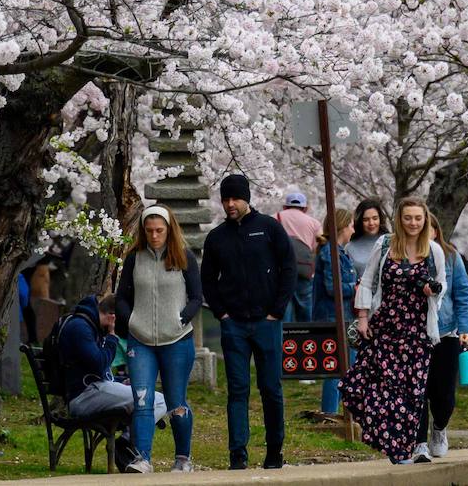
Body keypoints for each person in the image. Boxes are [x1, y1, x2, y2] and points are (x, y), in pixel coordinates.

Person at [200, 173, 297, 470]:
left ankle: (274, 451)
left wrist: (277, 310)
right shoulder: (216, 237)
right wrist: (221, 313)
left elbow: (289, 267)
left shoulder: (269, 228)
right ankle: (237, 454)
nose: (230, 204)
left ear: (247, 199)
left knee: (271, 388)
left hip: (267, 321)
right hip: (234, 325)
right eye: (225, 199)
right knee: (238, 389)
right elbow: (207, 279)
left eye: (235, 199)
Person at [340, 196, 446, 464]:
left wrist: (429, 291)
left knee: (412, 394)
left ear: (425, 220)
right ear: (399, 219)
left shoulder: (434, 250)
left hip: (417, 332)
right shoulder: (385, 245)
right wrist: (362, 317)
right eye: (408, 217)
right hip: (385, 327)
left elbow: (440, 287)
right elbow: (366, 281)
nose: (413, 223)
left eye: (418, 218)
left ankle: (402, 448)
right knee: (375, 387)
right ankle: (390, 443)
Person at [115, 205, 202, 474]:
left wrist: (182, 318)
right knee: (142, 400)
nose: (154, 236)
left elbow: (197, 297)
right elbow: (122, 296)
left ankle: (183, 459)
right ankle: (142, 459)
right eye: (149, 230)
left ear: (169, 230)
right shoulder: (134, 258)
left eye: (159, 231)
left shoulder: (183, 257)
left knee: (176, 402)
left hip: (176, 339)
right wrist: (130, 320)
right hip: (141, 341)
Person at [59, 293, 166, 453]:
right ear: (112, 317)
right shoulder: (80, 327)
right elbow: (99, 363)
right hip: (84, 397)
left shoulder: (89, 324)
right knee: (156, 401)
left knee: (151, 399)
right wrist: (111, 337)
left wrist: (120, 380)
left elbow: (94, 368)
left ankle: (128, 440)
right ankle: (127, 443)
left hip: (93, 390)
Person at [417, 212, 468, 458]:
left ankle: (439, 427)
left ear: (436, 232)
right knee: (417, 391)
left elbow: (464, 294)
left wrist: (465, 328)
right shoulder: (406, 258)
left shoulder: (451, 257)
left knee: (444, 396)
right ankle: (418, 443)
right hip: (415, 334)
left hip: (446, 332)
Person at [310, 208, 356, 416]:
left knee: (344, 367)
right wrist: (354, 287)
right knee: (336, 369)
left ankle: (342, 413)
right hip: (333, 317)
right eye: (351, 225)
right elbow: (332, 287)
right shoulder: (330, 252)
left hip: (342, 316)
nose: (354, 230)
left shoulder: (338, 251)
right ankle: (330, 414)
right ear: (343, 227)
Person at [276, 189, 321, 322]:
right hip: (304, 270)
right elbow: (317, 248)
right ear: (305, 208)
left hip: (281, 270)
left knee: (285, 304)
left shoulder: (275, 217)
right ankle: (307, 338)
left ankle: (286, 339)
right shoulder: (314, 223)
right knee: (305, 306)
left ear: (285, 206)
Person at [344, 199, 390, 279]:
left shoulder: (391, 242)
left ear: (380, 219)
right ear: (359, 221)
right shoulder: (350, 248)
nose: (371, 223)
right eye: (366, 220)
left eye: (375, 218)